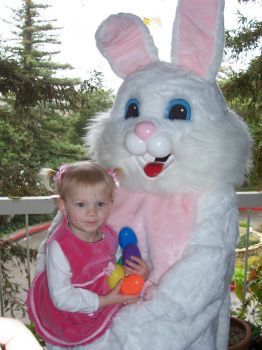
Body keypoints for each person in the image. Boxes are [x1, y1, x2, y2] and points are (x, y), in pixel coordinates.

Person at [26, 161, 150, 349]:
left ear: (110, 204)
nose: (92, 212)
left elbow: (114, 265)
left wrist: (139, 274)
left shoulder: (108, 233)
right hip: (68, 311)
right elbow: (62, 298)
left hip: (101, 296)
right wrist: (106, 300)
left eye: (100, 203)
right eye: (81, 204)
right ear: (63, 206)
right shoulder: (60, 248)